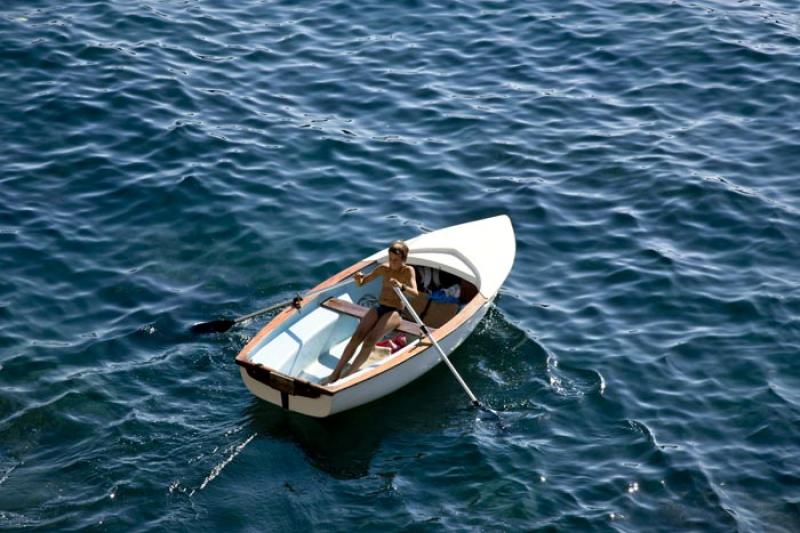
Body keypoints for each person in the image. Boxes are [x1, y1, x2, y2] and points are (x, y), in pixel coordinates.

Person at [321, 240, 418, 385]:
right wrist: (358, 278)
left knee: (370, 341)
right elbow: (361, 283)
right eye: (390, 259)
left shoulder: (408, 271)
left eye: (396, 260)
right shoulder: (383, 269)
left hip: (396, 311)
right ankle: (335, 374)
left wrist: (401, 286)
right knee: (357, 336)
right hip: (380, 307)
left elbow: (415, 293)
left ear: (404, 259)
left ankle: (347, 377)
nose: (392, 263)